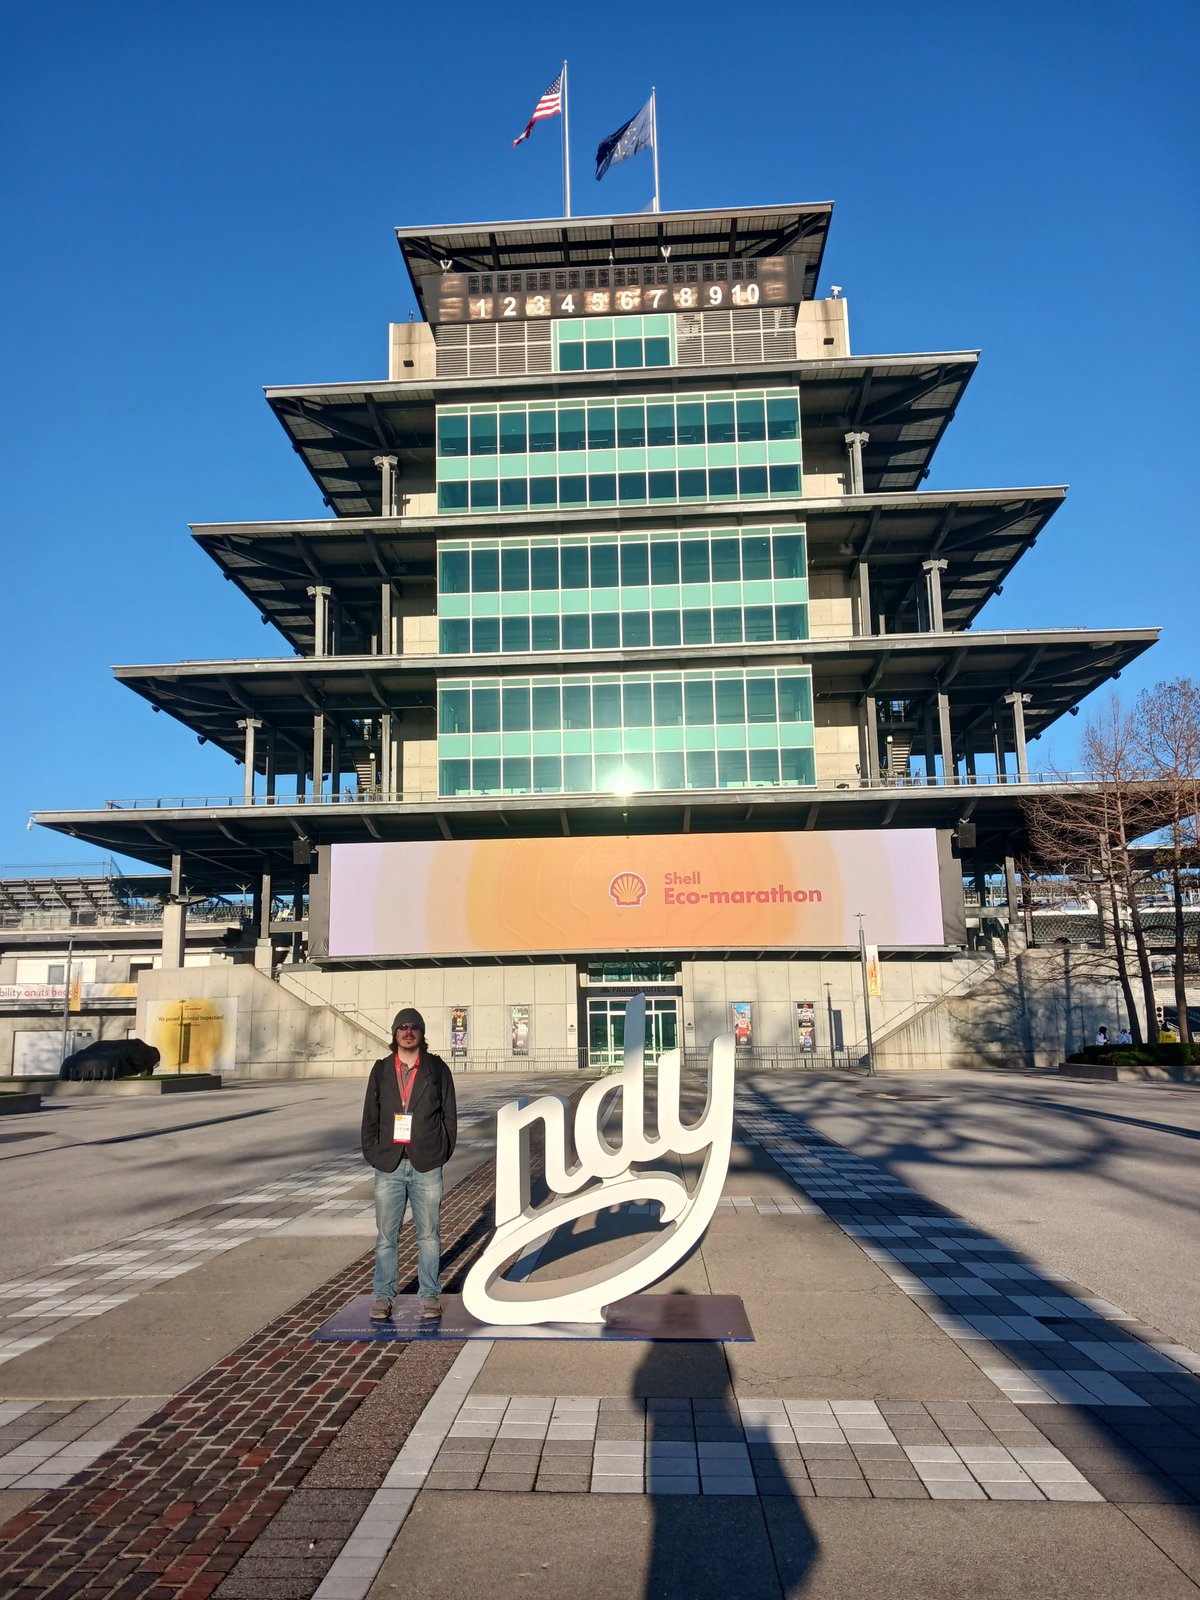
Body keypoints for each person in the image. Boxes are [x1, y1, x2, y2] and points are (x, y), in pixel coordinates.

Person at [361, 1007, 457, 1322]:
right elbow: (370, 1117)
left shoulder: (437, 1069)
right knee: (386, 1237)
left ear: (421, 1033)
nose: (407, 1031)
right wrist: (373, 1153)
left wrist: (441, 1151)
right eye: (402, 1027)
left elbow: (449, 1116)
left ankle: (429, 1296)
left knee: (429, 1235)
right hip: (388, 1165)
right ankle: (383, 1296)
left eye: (413, 1026)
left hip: (426, 1164)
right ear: (394, 1033)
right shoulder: (381, 1070)